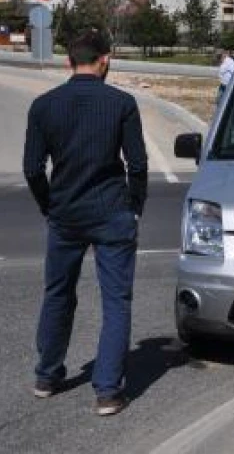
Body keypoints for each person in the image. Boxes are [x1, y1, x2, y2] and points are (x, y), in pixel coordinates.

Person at [23, 29, 148, 416]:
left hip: (65, 214)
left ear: (69, 61)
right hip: (111, 212)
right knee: (116, 301)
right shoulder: (122, 103)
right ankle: (108, 391)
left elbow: (32, 169)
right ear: (105, 60)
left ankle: (47, 375)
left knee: (58, 293)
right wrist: (135, 205)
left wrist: (50, 204)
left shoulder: (43, 106)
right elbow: (138, 164)